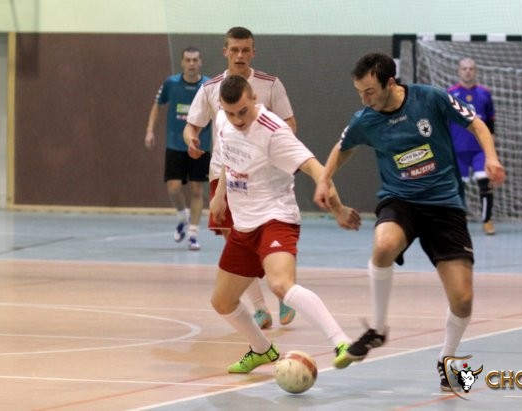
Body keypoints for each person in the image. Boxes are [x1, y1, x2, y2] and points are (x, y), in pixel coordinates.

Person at [314, 52, 505, 391]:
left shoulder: (430, 98)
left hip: (444, 205)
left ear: (390, 83)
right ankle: (378, 329)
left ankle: (446, 359)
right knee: (384, 245)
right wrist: (324, 180)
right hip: (400, 201)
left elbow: (476, 123)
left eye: (370, 91)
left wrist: (490, 157)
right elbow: (342, 147)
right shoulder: (366, 119)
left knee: (463, 299)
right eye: (359, 93)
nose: (364, 99)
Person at [210, 75, 361, 373]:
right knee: (222, 302)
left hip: (275, 218)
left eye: (243, 111)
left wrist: (338, 208)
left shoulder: (273, 131)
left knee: (280, 284)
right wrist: (219, 194)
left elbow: (316, 169)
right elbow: (229, 157)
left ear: (254, 98)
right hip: (243, 225)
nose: (238, 119)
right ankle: (262, 350)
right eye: (231, 113)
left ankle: (342, 342)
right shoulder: (223, 120)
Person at [185, 27, 297, 330]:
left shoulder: (270, 84)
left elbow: (290, 124)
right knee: (234, 239)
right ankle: (260, 308)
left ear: (253, 52)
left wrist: (269, 145)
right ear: (225, 51)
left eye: (245, 50)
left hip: (262, 176)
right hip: (223, 173)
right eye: (234, 49)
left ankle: (283, 290)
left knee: (265, 235)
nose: (240, 55)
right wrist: (191, 139)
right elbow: (193, 126)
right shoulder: (211, 88)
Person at [145, 47, 211, 250]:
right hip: (175, 144)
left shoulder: (208, 86)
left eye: (195, 60)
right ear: (182, 62)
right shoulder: (171, 83)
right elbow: (157, 105)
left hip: (200, 145)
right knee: (173, 188)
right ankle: (183, 216)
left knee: (197, 189)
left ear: (200, 62)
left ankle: (193, 235)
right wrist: (150, 130)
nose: (191, 63)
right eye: (188, 60)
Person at [447, 58, 497, 235]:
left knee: (485, 183)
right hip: (457, 149)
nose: (467, 71)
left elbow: (490, 122)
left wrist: (491, 149)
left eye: (471, 68)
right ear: (458, 71)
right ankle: (458, 221)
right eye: (464, 68)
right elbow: (444, 120)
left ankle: (487, 220)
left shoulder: (485, 93)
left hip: (479, 150)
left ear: (476, 71)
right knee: (458, 188)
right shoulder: (450, 94)